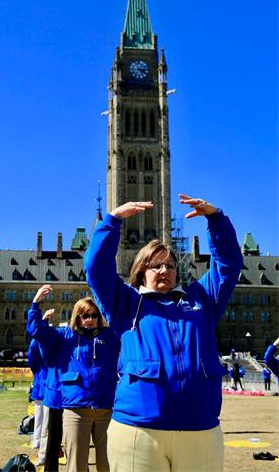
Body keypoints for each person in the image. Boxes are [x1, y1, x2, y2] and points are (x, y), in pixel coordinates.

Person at [84, 194, 243, 472]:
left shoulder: (201, 300)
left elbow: (228, 266)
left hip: (199, 429)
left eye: (169, 265)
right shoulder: (126, 304)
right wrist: (112, 222)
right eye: (155, 265)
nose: (164, 270)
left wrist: (215, 219)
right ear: (139, 272)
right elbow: (96, 270)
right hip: (138, 430)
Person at [27, 287, 120, 472]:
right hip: (76, 409)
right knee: (76, 464)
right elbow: (37, 331)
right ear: (77, 317)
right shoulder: (65, 336)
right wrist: (36, 303)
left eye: (94, 315)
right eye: (85, 316)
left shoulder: (109, 336)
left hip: (106, 408)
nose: (90, 320)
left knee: (108, 462)